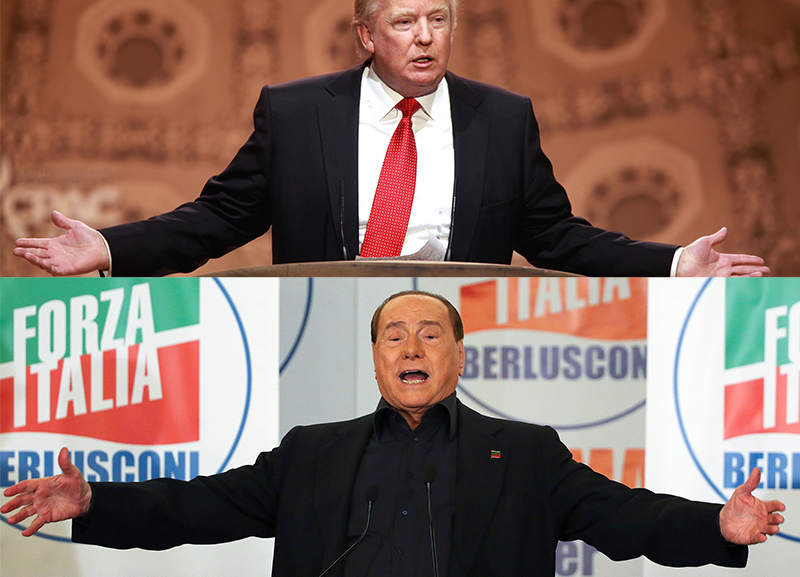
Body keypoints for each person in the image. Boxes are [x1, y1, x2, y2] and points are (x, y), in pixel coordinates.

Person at [13, 0, 769, 278]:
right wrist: (111, 246)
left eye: (438, 20)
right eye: (404, 22)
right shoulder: (297, 111)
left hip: (456, 346)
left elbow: (556, 236)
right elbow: (220, 218)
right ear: (367, 36)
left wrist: (672, 266)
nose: (425, 37)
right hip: (315, 337)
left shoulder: (501, 119)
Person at [2, 291, 785, 576]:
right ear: (376, 357)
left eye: (430, 334)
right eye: (393, 336)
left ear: (458, 354)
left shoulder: (524, 454)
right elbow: (197, 508)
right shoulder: (313, 451)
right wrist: (95, 501)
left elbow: (628, 518)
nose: (411, 348)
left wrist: (718, 526)